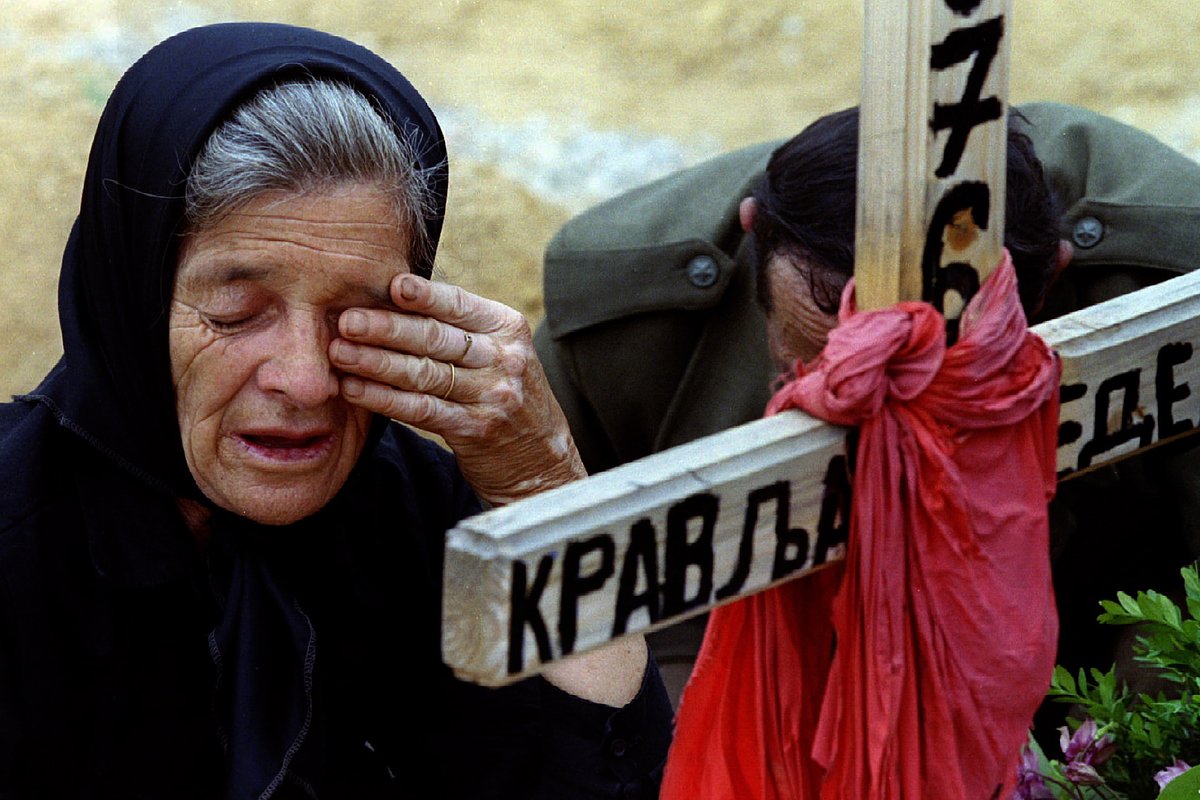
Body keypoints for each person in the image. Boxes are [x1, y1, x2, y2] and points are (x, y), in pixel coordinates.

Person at [0, 22, 672, 799]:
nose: (307, 381)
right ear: (131, 304)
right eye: (235, 313)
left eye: (359, 315)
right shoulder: (21, 546)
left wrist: (544, 490)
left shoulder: (422, 519)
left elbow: (613, 779)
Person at [534, 102, 1200, 728]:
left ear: (1051, 281)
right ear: (753, 242)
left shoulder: (1169, 289)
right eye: (832, 316)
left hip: (1087, 656)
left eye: (929, 369)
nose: (876, 396)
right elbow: (540, 610)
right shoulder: (629, 326)